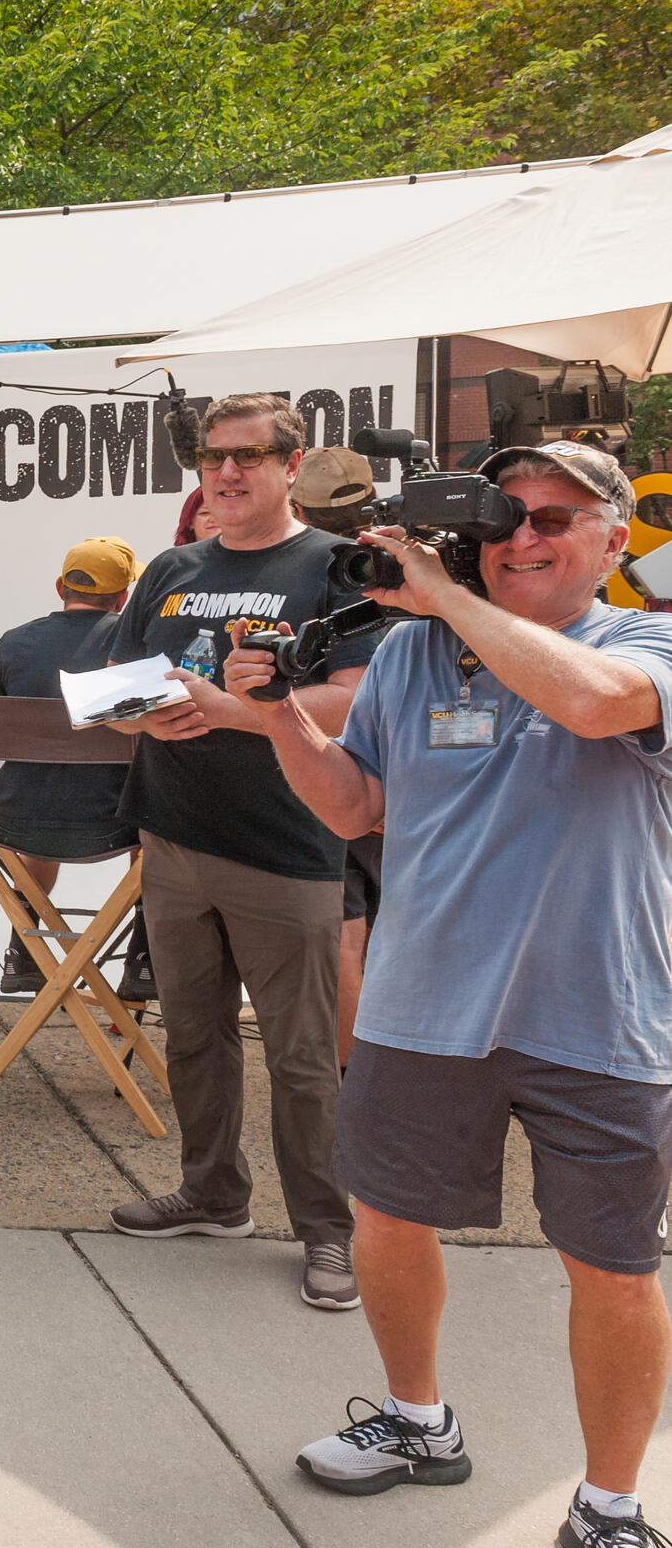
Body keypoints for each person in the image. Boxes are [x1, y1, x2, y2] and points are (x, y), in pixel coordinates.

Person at [226, 440, 672, 1544]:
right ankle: (417, 1419)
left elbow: (593, 703)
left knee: (612, 1266)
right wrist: (281, 710)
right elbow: (352, 808)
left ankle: (608, 1504)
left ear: (613, 540)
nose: (521, 534)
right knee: (386, 1221)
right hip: (420, 1004)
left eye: (554, 518)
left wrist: (438, 596)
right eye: (502, 514)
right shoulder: (412, 657)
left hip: (600, 1011)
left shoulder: (644, 639)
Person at [102, 398, 383, 1312]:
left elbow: (363, 702)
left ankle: (328, 1230)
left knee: (303, 1059)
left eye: (250, 457)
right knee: (192, 1037)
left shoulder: (334, 568)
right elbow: (113, 690)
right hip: (173, 837)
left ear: (291, 464)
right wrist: (139, 710)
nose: (227, 474)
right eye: (214, 458)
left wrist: (231, 711)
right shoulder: (173, 567)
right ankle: (213, 1192)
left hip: (286, 848)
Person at [0, 537, 146, 994]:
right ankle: (143, 958)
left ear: (60, 586)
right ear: (123, 597)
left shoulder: (15, 641)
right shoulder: (134, 643)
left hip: (18, 822)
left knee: (40, 793)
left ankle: (23, 948)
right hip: (116, 823)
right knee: (157, 822)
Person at [290, 444, 386, 1064]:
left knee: (346, 936)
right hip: (406, 776)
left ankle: (357, 1087)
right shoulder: (401, 563)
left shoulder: (315, 572)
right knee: (372, 935)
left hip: (334, 778)